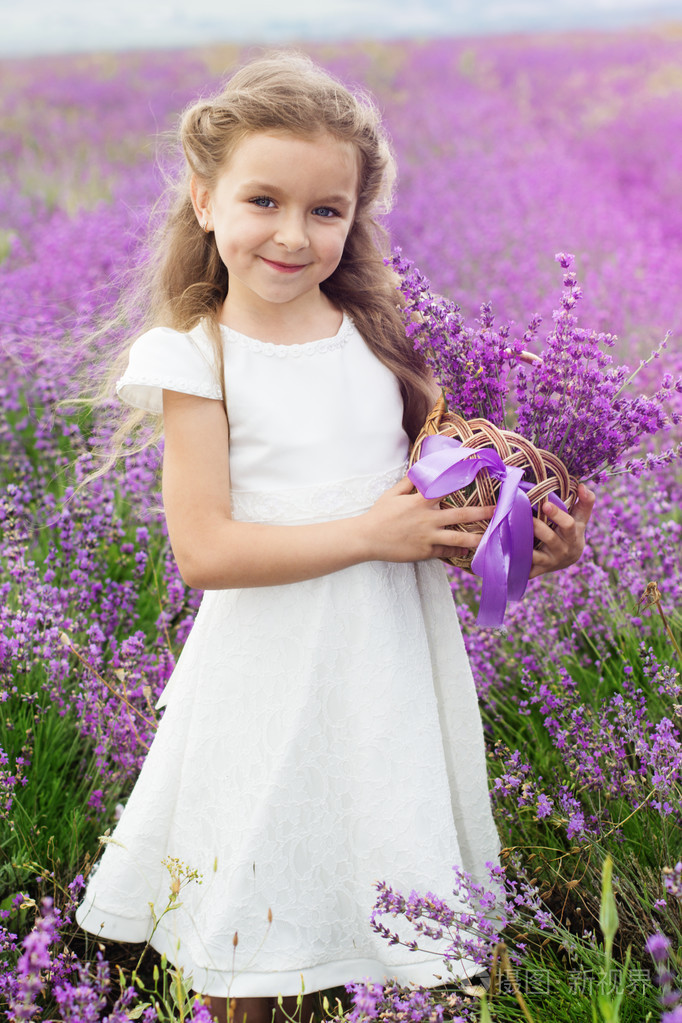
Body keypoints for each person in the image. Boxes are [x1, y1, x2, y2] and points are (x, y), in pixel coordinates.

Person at [75, 51, 594, 1023]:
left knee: (386, 876)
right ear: (204, 198)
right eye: (262, 200)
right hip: (267, 670)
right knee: (252, 906)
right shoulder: (194, 357)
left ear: (355, 218)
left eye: (325, 210)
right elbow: (205, 552)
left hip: (386, 663)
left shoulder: (379, 337)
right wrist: (369, 532)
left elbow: (438, 509)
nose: (291, 233)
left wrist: (527, 542)